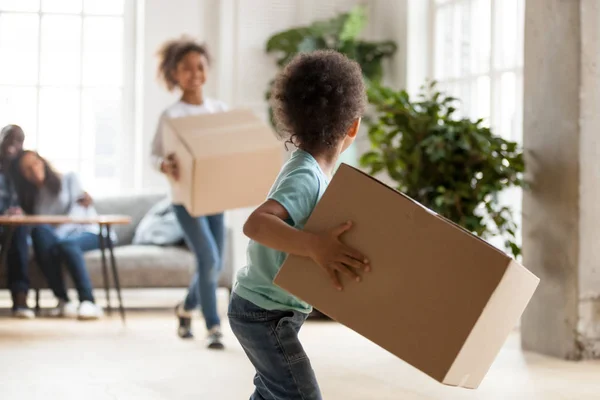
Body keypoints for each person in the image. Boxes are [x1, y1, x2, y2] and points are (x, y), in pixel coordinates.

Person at [229, 51, 370, 399]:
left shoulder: (317, 174)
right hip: (263, 313)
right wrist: (314, 246)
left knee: (272, 393)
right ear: (352, 126)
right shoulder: (306, 175)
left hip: (274, 310)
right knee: (302, 395)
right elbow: (256, 224)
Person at [152, 36, 227, 348]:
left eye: (200, 67)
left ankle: (185, 309)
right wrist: (164, 165)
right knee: (208, 258)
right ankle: (213, 327)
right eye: (186, 68)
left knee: (213, 263)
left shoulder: (219, 110)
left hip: (216, 197)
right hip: (185, 201)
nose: (194, 73)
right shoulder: (172, 115)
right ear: (174, 75)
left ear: (207, 70)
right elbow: (155, 155)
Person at [9, 150, 104, 320]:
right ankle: (63, 300)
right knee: (39, 232)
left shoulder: (69, 179)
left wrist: (57, 238)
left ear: (43, 162)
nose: (34, 170)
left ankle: (88, 301)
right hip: (57, 239)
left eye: (35, 164)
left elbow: (79, 214)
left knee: (66, 245)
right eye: (27, 169)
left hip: (89, 231)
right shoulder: (33, 197)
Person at [0, 125, 34, 318]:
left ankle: (20, 300)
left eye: (18, 141)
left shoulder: (20, 167)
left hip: (10, 225)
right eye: (8, 139)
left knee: (20, 231)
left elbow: (47, 174)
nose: (12, 146)